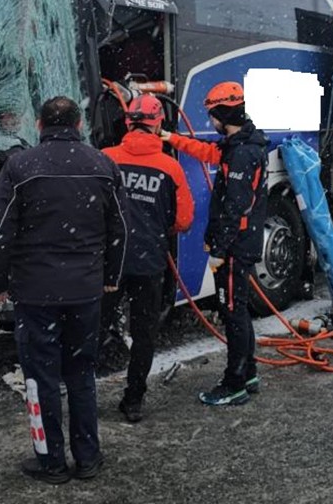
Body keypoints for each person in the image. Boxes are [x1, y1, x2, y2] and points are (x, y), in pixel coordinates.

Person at [0, 96, 127, 485]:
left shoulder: (20, 166)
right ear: (78, 126)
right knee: (81, 373)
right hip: (86, 292)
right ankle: (89, 457)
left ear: (40, 126)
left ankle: (51, 462)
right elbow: (120, 230)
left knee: (39, 377)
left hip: (36, 294)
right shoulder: (103, 165)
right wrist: (112, 276)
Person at [161, 81, 269, 406]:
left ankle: (234, 384)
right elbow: (207, 152)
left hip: (234, 249)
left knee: (232, 312)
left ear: (222, 112)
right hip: (239, 246)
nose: (210, 121)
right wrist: (171, 139)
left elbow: (236, 209)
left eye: (212, 114)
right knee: (238, 311)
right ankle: (248, 373)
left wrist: (219, 252)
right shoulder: (238, 145)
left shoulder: (242, 154)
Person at [101, 94, 194, 422]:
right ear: (158, 126)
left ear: (128, 123)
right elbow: (183, 221)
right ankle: (133, 400)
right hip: (149, 263)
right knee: (143, 334)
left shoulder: (105, 159)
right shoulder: (170, 167)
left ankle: (81, 392)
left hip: (109, 264)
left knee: (94, 330)